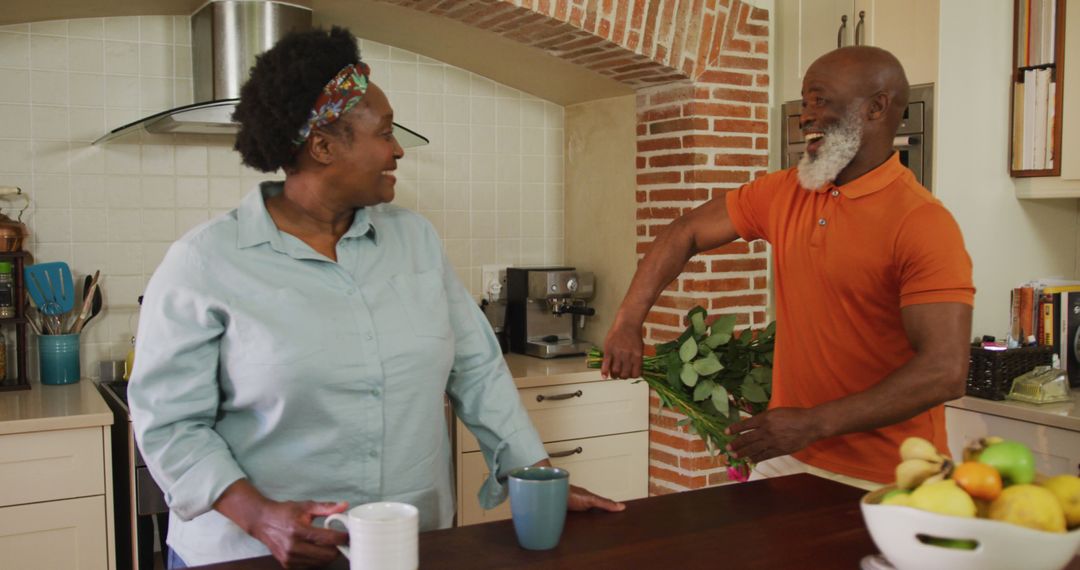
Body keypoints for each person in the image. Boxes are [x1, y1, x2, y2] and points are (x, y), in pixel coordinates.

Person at [129, 26, 622, 570]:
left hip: (403, 545)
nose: (397, 149)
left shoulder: (416, 241)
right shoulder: (204, 262)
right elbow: (171, 424)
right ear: (323, 146)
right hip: (251, 554)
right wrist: (260, 515)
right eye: (384, 133)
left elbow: (476, 368)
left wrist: (534, 475)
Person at [602, 46, 974, 490]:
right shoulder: (786, 193)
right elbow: (685, 232)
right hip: (791, 457)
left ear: (876, 107)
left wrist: (814, 422)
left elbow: (944, 371)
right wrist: (627, 322)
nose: (805, 116)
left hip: (895, 476)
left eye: (821, 100)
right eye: (804, 102)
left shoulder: (922, 223)